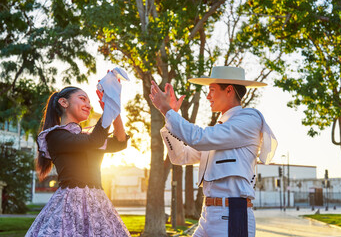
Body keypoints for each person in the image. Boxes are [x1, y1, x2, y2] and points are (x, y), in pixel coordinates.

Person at [149, 66, 277, 237]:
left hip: (233, 215)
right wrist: (169, 115)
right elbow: (181, 156)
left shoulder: (249, 119)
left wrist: (168, 111)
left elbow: (199, 138)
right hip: (208, 215)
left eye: (212, 90)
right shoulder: (219, 130)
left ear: (229, 90)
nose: (208, 96)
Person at [26, 85, 131, 237]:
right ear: (64, 102)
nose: (88, 105)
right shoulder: (55, 136)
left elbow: (120, 142)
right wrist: (109, 108)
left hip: (98, 202)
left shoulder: (86, 137)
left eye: (89, 101)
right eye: (82, 99)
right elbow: (94, 140)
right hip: (70, 203)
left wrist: (114, 109)